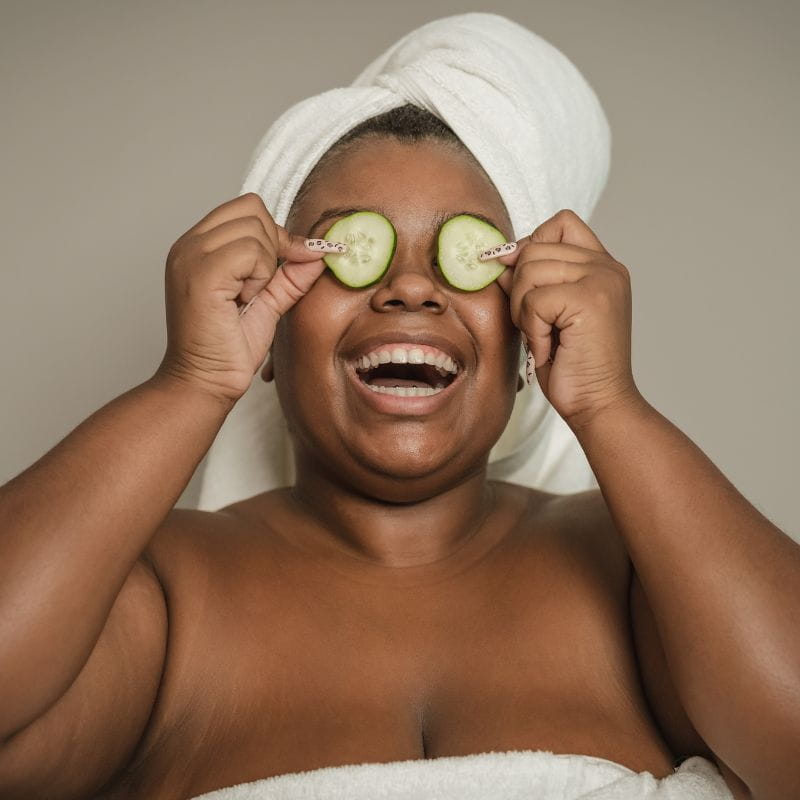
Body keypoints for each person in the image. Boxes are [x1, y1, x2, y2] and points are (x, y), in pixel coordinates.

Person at [2, 21, 798, 800]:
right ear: (267, 324)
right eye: (354, 249)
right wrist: (191, 381)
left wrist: (611, 405)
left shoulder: (639, 571)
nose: (412, 287)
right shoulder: (162, 590)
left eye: (472, 253)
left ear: (528, 334)